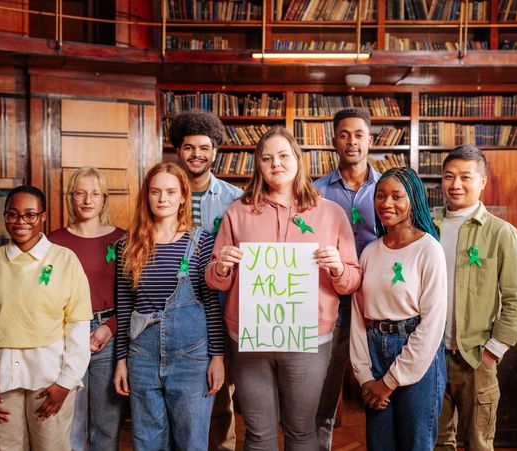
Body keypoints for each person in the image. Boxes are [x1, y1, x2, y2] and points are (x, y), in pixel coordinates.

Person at [205, 126, 361, 450]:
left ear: (297, 160)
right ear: (258, 166)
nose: (275, 163)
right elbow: (214, 278)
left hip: (310, 338)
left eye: (283, 156)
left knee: (301, 431)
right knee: (259, 433)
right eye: (266, 158)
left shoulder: (331, 213)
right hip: (249, 336)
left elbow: (352, 281)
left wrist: (338, 267)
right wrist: (221, 266)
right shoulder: (237, 212)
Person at [0, 185, 92, 451]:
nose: (21, 222)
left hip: (50, 381)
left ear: (43, 217)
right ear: (5, 217)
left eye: (30, 215)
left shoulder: (65, 260)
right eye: (13, 214)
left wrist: (66, 383)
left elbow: (78, 327)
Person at [113, 162, 225, 451]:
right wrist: (121, 360)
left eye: (170, 191)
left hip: (192, 357)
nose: (163, 198)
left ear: (183, 197)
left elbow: (211, 303)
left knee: (191, 442)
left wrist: (217, 357)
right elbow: (125, 304)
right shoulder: (128, 244)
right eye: (155, 192)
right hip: (142, 356)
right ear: (146, 197)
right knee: (147, 440)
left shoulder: (200, 242)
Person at [434, 145, 517, 451]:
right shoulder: (427, 226)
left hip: (476, 357)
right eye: (449, 176)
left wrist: (494, 350)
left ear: (483, 182)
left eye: (465, 177)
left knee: (478, 443)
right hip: (430, 356)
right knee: (436, 441)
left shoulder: (502, 233)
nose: (456, 184)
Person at [350, 167, 447, 451]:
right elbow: (358, 316)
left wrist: (389, 382)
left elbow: (432, 323)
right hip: (374, 349)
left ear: (413, 199)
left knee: (415, 443)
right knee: (379, 445)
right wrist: (365, 377)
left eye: (396, 196)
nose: (386, 203)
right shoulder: (370, 251)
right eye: (380, 196)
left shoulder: (429, 249)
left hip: (417, 353)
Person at [169, 110, 242, 451]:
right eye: (188, 147)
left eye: (204, 147)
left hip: (220, 304)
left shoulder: (234, 199)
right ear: (177, 151)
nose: (196, 154)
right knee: (177, 389)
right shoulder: (164, 193)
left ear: (215, 151)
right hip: (173, 307)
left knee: (221, 389)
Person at [313, 107, 381, 450]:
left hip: (379, 299)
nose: (351, 141)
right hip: (333, 297)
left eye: (358, 135)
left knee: (382, 382)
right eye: (344, 135)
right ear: (333, 141)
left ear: (370, 140)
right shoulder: (315, 191)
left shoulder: (389, 187)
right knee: (325, 387)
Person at [48, 167, 125, 451]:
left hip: (107, 334)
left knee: (107, 422)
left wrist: (110, 327)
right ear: (71, 197)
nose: (87, 200)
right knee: (71, 421)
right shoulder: (53, 242)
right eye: (80, 193)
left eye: (95, 193)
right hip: (66, 336)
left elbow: (131, 295)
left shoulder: (122, 240)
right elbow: (45, 292)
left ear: (104, 199)